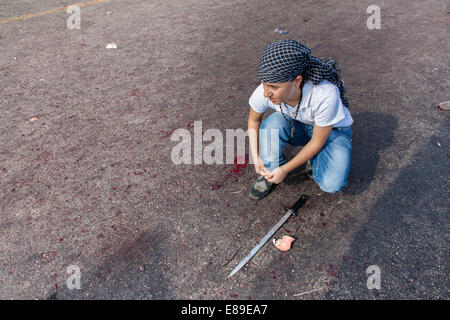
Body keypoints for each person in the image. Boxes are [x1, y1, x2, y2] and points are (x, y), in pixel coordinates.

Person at [248, 39, 353, 200]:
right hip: (299, 124)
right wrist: (256, 158)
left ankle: (314, 160)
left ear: (297, 81)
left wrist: (285, 170)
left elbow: (317, 141)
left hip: (331, 131)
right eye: (264, 84)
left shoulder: (325, 94)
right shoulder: (267, 89)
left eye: (274, 87)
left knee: (332, 183)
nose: (266, 93)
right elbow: (254, 120)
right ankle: (271, 172)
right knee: (272, 125)